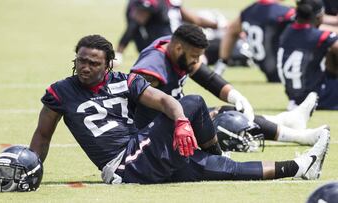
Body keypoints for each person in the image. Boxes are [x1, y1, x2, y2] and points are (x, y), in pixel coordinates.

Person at [30, 34, 330, 184]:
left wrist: (181, 123)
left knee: (224, 171)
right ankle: (216, 151)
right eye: (81, 60)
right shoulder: (60, 91)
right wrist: (34, 167)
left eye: (93, 63)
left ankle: (300, 168)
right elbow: (42, 136)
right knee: (195, 104)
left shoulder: (125, 81)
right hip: (123, 164)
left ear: (108, 64)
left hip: (143, 151)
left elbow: (164, 101)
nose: (85, 67)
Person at [130, 24, 326, 151]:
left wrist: (235, 95)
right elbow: (134, 107)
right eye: (195, 56)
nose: (197, 61)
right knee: (229, 120)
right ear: (179, 49)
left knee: (232, 111)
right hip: (157, 130)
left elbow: (208, 79)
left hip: (177, 116)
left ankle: (291, 123)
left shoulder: (176, 49)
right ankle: (297, 132)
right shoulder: (151, 68)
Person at [115, 0, 218, 66]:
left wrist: (220, 25)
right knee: (218, 48)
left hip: (178, 43)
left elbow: (194, 19)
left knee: (218, 44)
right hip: (163, 48)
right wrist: (119, 53)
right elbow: (134, 26)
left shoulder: (171, 2)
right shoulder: (151, 3)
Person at [278, 0, 338, 110]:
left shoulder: (287, 31)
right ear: (319, 16)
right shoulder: (318, 36)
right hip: (316, 96)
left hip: (295, 96)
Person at [220, 0, 295, 83]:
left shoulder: (248, 11)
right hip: (288, 72)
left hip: (269, 71)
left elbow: (231, 31)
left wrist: (223, 61)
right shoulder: (283, 12)